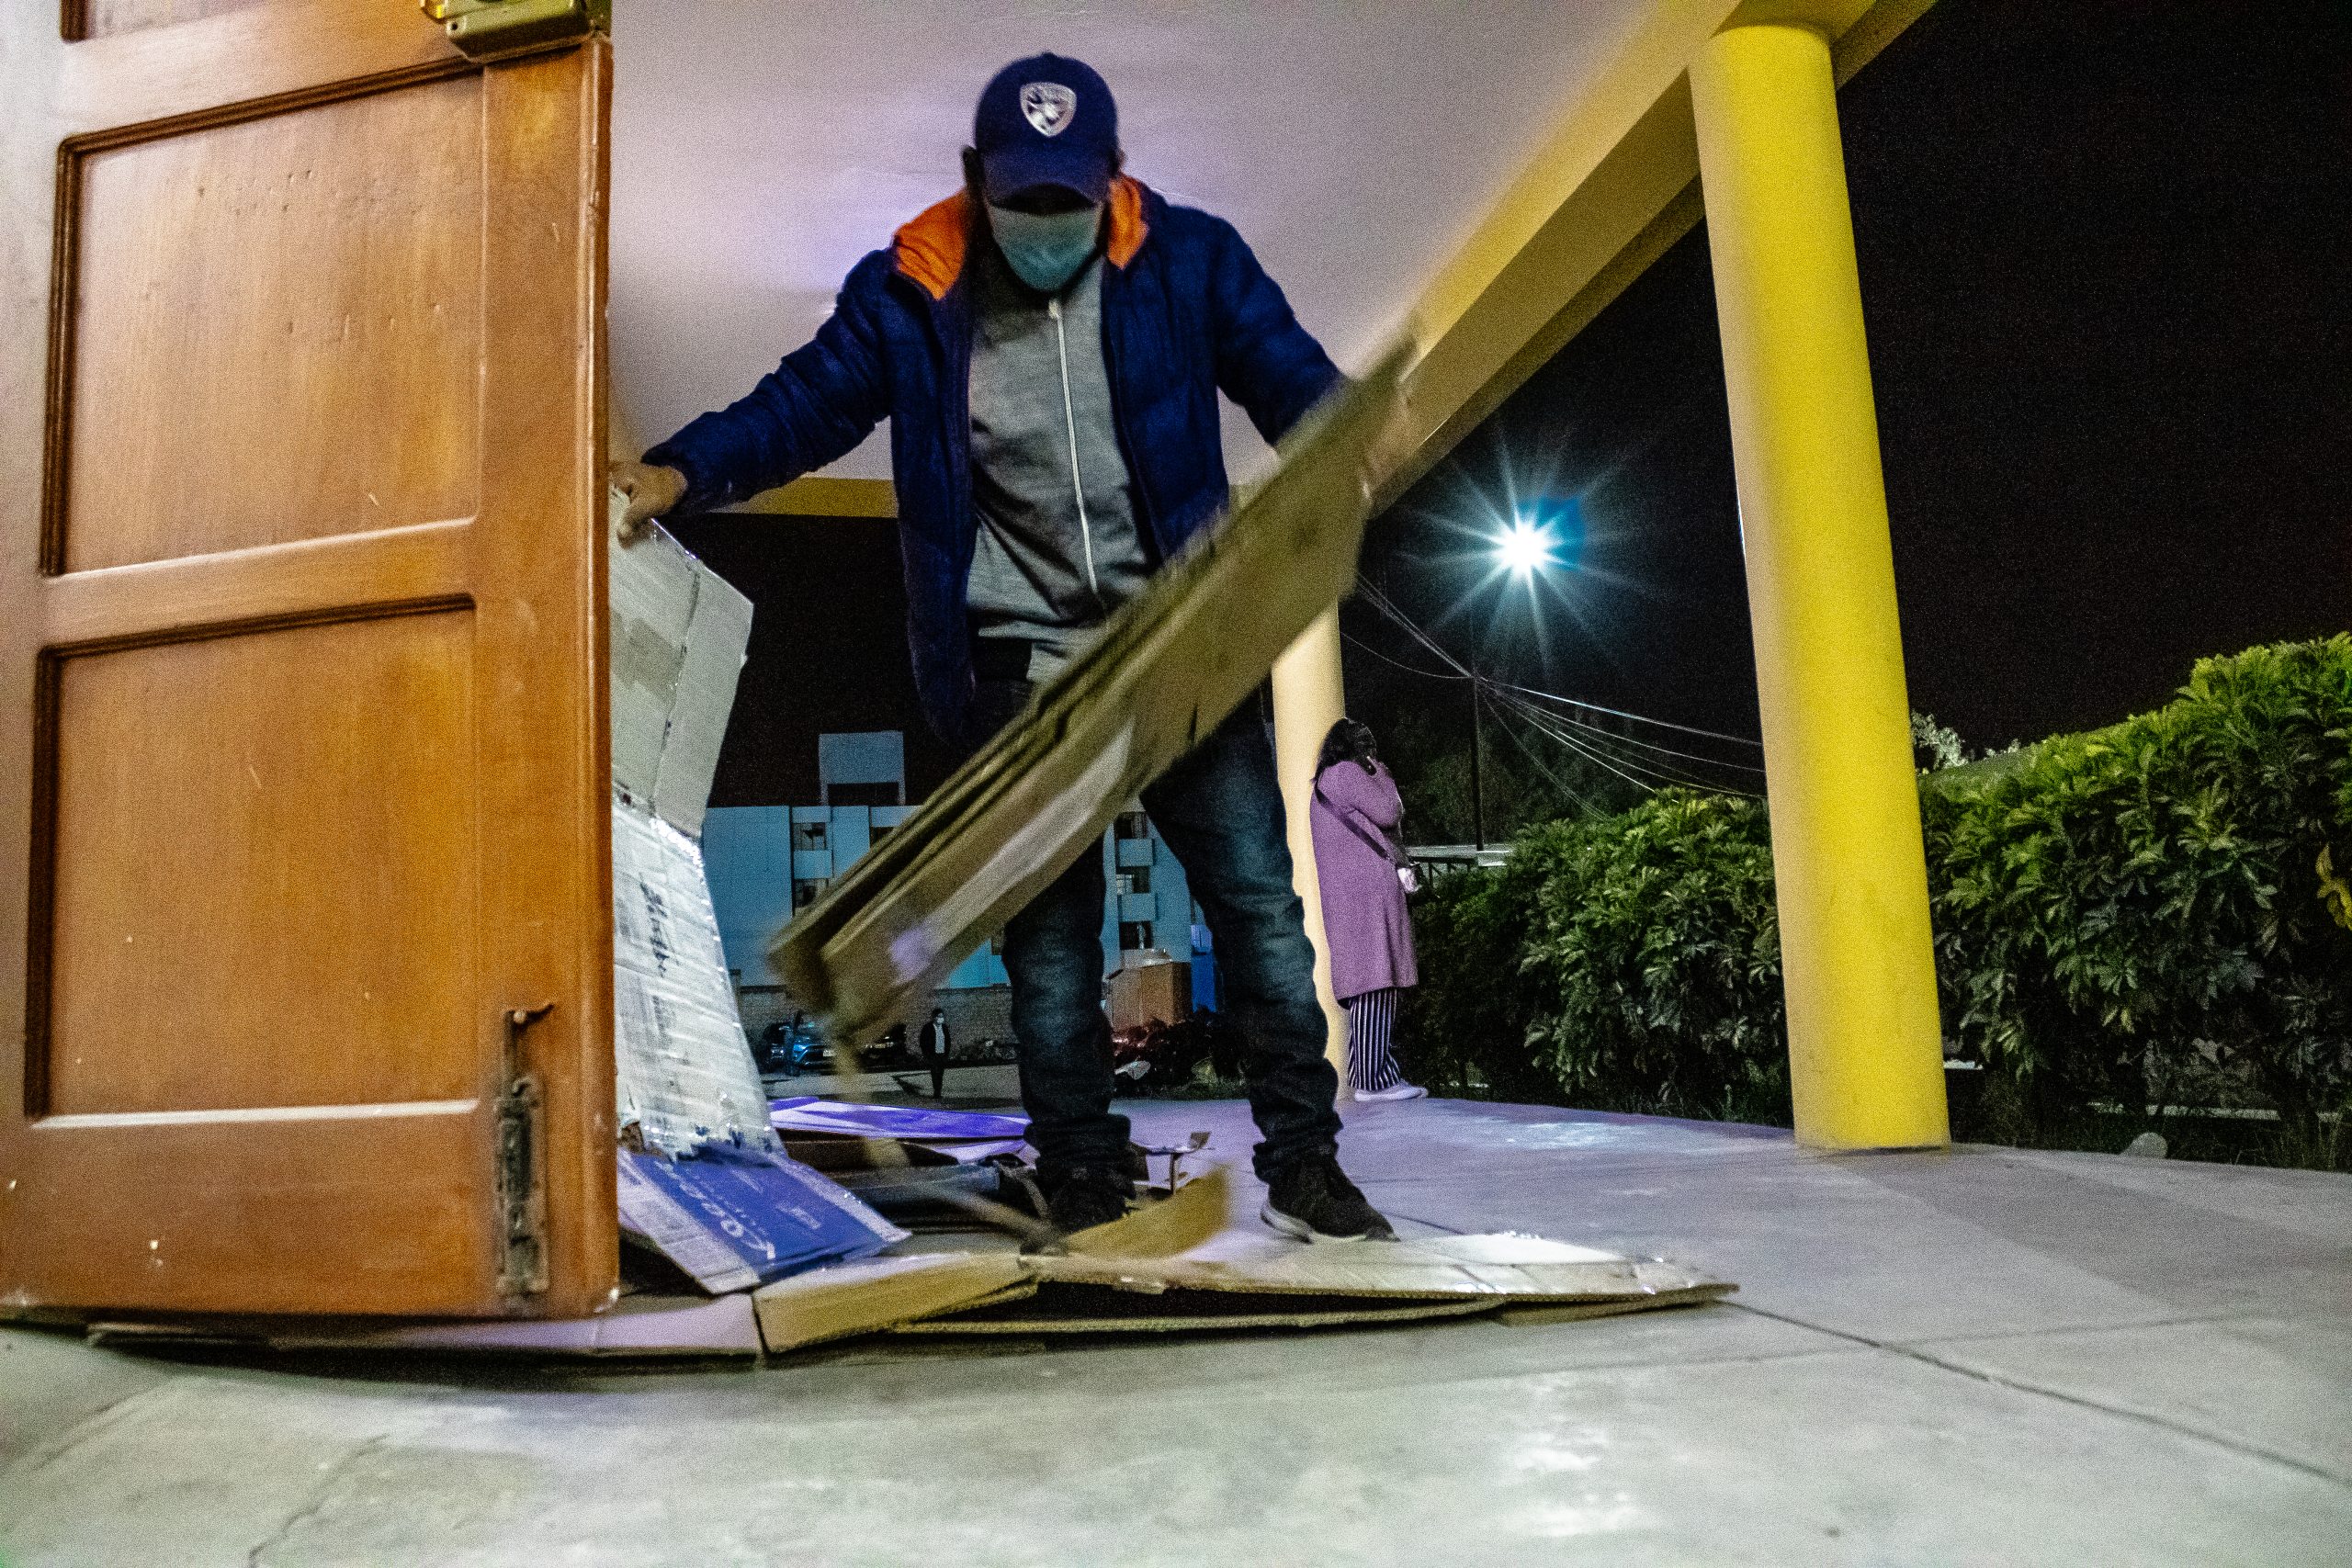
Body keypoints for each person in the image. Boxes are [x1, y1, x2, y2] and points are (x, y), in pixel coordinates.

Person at [612, 53, 1392, 1243]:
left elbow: (1283, 366)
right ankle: (1079, 1177)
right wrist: (678, 470)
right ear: (977, 182)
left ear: (1115, 184)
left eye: (1066, 207)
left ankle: (1306, 1164)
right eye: (1020, 206)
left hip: (1180, 640)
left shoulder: (1190, 261)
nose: (1045, 230)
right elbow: (803, 404)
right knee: (1050, 950)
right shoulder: (912, 294)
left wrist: (1347, 433)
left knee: (1259, 911)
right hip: (1019, 671)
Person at [1309, 719, 1426, 1102]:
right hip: (1365, 897)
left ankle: (1369, 1073)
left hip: (1352, 899)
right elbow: (1390, 810)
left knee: (1372, 983)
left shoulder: (1328, 780)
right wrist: (1380, 772)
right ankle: (1374, 1080)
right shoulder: (1347, 774)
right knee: (1376, 982)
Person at [916, 1006, 953, 1099]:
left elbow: (948, 1041)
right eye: (939, 1016)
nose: (941, 1018)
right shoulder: (927, 1027)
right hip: (932, 1055)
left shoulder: (944, 1027)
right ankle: (936, 1092)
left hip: (942, 1054)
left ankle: (938, 1092)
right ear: (934, 1017)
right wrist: (926, 1055)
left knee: (940, 1074)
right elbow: (922, 1041)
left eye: (942, 1016)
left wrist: (947, 1053)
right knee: (934, 1074)